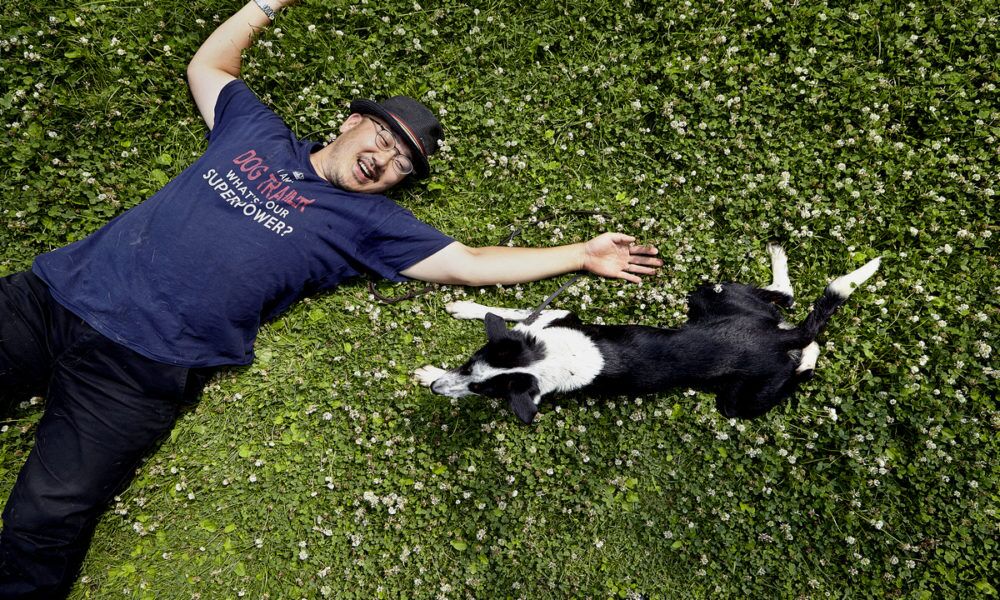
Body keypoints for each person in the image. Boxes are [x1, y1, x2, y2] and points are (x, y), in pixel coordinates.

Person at [0, 1, 662, 597]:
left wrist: (580, 254)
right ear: (351, 122)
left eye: (401, 165)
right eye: (384, 139)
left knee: (47, 514)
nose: (385, 160)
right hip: (48, 299)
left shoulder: (370, 224)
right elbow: (208, 66)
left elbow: (470, 264)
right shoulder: (254, 132)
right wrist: (266, 4)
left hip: (141, 367)